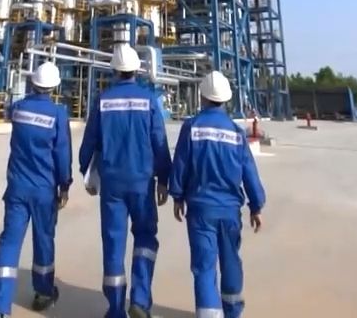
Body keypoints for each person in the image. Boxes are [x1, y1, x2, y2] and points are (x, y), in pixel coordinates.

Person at [78, 43, 172, 318]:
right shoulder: (148, 100)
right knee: (145, 238)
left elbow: (89, 142)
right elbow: (159, 141)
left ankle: (116, 307)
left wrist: (87, 174)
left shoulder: (103, 100)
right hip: (142, 182)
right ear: (136, 71)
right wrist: (164, 179)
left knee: (113, 241)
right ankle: (140, 301)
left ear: (114, 71)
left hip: (112, 184)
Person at [168, 70, 267, 318]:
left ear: (202, 97)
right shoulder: (236, 132)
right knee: (231, 262)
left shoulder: (191, 127)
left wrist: (177, 196)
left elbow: (181, 164)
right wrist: (256, 206)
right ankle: (233, 312)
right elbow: (249, 171)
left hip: (200, 210)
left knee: (204, 267)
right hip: (230, 210)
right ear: (226, 99)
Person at [0, 61, 72, 318]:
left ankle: (0, 309)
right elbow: (62, 153)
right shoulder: (57, 114)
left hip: (17, 188)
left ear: (33, 83)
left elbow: (7, 111)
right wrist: (65, 185)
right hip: (44, 190)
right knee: (43, 240)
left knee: (9, 243)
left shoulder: (18, 109)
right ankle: (43, 293)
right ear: (54, 87)